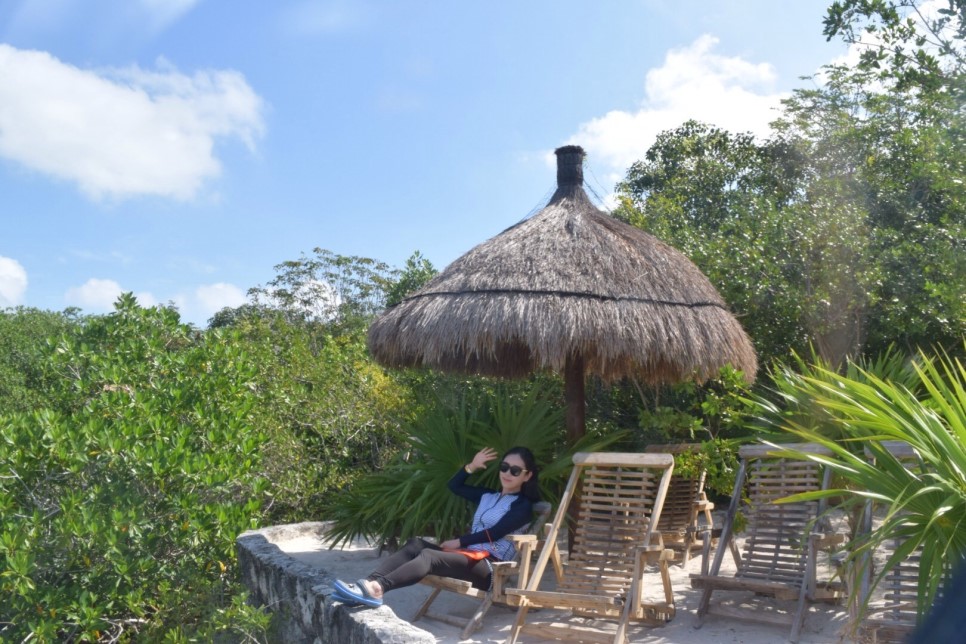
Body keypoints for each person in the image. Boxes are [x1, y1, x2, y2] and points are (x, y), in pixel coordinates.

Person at [333, 446, 541, 608]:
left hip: (490, 567)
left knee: (430, 556)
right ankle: (367, 585)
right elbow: (454, 486)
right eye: (504, 467)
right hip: (466, 556)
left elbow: (496, 533)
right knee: (415, 544)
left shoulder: (523, 506)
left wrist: (459, 541)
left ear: (527, 475)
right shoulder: (488, 496)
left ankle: (378, 589)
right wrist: (472, 466)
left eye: (515, 470)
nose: (507, 473)